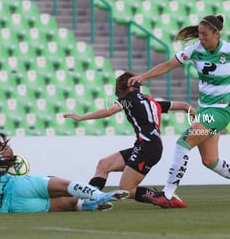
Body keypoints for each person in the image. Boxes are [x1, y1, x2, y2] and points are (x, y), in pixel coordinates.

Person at [128, 15, 230, 208]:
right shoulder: (195, 50)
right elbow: (168, 65)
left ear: (217, 34)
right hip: (205, 111)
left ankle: (167, 194)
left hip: (221, 111)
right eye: (199, 34)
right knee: (210, 160)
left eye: (205, 34)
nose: (201, 38)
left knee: (183, 142)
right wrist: (143, 76)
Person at [64, 71, 196, 208]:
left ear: (126, 86)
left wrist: (81, 117)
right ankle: (88, 199)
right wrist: (195, 115)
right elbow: (184, 105)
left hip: (147, 146)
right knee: (104, 164)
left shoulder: (128, 99)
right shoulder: (152, 102)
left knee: (126, 189)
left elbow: (109, 111)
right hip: (147, 146)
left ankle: (164, 197)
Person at [0, 127, 130, 213]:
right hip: (17, 186)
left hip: (13, 208)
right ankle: (98, 195)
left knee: (67, 204)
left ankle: (88, 206)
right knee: (65, 186)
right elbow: (8, 156)